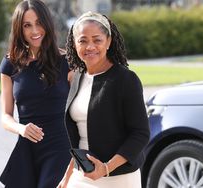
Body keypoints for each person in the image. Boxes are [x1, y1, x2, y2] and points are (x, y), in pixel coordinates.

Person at [58, 11, 150, 188]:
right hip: (81, 175)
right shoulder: (76, 77)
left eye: (97, 40)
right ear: (74, 44)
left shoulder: (125, 80)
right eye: (83, 40)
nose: (90, 46)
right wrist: (67, 176)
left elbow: (140, 134)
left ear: (108, 42)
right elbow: (79, 135)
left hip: (118, 178)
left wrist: (106, 168)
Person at [0, 0, 71, 187]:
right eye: (27, 25)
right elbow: (5, 117)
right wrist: (21, 128)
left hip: (60, 148)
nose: (35, 31)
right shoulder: (9, 65)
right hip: (27, 148)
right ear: (19, 29)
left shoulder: (67, 63)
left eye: (39, 23)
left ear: (47, 23)